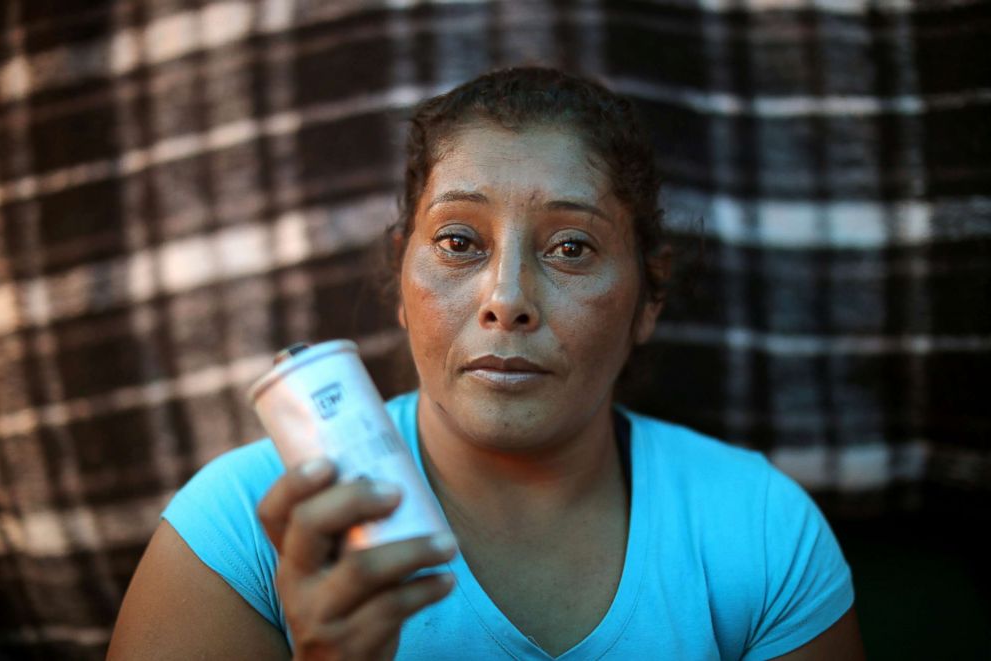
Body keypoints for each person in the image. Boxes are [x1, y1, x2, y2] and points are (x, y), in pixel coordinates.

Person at [108, 67, 864, 660]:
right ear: (402, 284)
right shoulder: (236, 529)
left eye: (572, 247)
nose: (506, 299)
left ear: (649, 297)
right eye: (459, 242)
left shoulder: (762, 533)